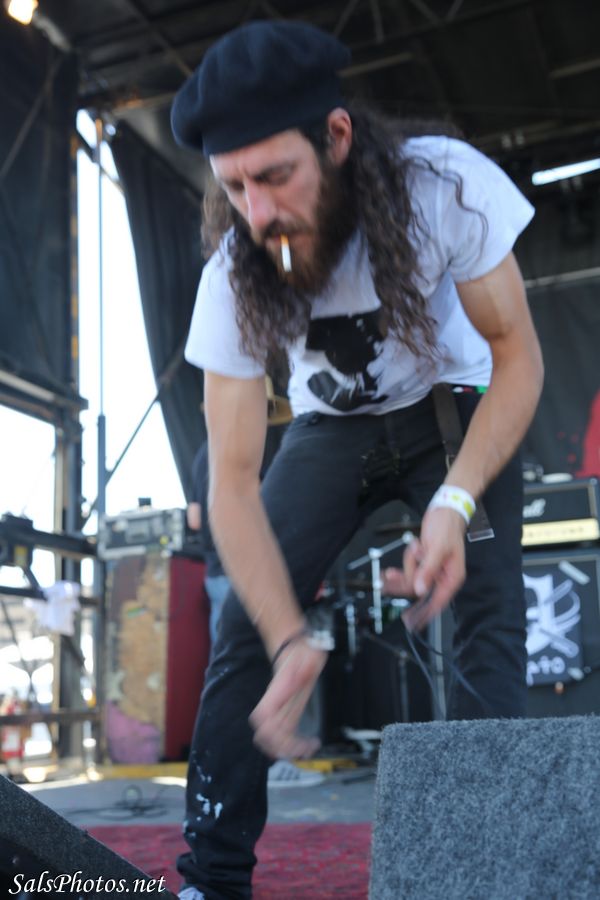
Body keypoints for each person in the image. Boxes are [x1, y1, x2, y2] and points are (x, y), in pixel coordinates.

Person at [171, 20, 544, 900]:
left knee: (489, 615)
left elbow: (518, 359)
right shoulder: (233, 272)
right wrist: (287, 634)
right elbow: (230, 486)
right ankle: (209, 880)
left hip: (454, 402)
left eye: (275, 176)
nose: (258, 212)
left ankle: (493, 869)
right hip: (331, 429)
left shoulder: (444, 188)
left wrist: (454, 503)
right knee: (244, 631)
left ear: (336, 137)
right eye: (235, 186)